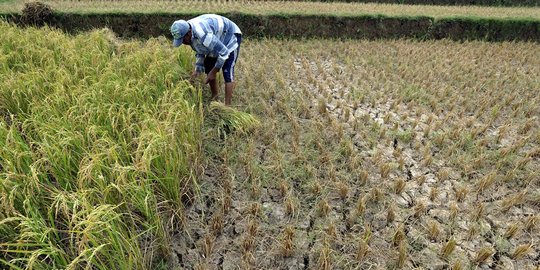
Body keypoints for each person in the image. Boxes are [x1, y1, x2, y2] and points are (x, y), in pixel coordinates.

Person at [171, 14, 242, 106]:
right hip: (217, 36)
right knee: (208, 65)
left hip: (230, 35)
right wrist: (197, 70)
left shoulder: (203, 35)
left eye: (183, 40)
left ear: (189, 33)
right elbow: (200, 49)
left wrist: (214, 71)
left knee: (227, 71)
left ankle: (228, 106)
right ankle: (214, 97)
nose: (183, 43)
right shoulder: (188, 30)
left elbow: (224, 52)